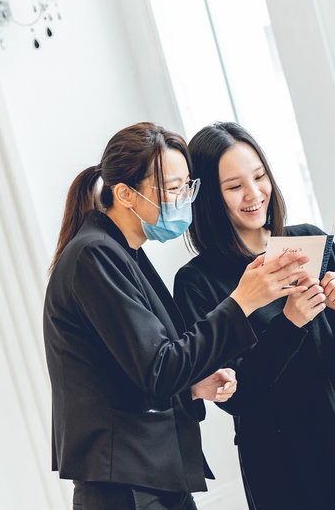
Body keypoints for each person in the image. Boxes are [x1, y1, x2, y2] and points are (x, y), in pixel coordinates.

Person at [43, 122, 311, 510]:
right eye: (172, 189)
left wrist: (191, 385)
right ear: (124, 194)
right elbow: (158, 369)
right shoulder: (94, 256)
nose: (184, 199)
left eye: (189, 186)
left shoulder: (123, 254)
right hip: (126, 483)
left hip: (149, 475)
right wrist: (242, 302)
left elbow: (142, 367)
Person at [173, 122, 335, 510]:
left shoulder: (308, 239)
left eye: (259, 176)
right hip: (274, 449)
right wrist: (290, 322)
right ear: (208, 197)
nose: (254, 194)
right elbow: (233, 396)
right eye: (234, 186)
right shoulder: (196, 282)